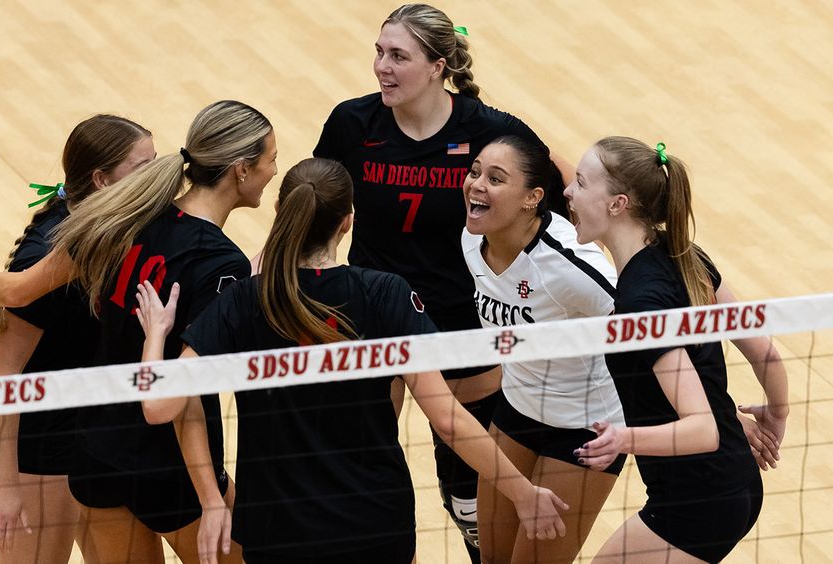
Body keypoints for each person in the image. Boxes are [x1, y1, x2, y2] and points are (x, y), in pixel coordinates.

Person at [134, 157, 569, 564]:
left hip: (278, 530)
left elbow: (159, 406)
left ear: (281, 213)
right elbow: (447, 419)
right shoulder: (385, 294)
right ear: (348, 221)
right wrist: (522, 492)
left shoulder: (244, 300)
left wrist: (156, 336)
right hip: (374, 525)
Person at [0, 100, 278, 563]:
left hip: (98, 451)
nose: (274, 170)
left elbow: (22, 289)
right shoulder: (211, 260)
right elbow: (173, 400)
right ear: (240, 169)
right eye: (271, 160)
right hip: (137, 459)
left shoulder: (125, 223)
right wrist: (211, 497)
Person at [311, 5, 567, 559]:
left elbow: (563, 187)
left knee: (468, 494)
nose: (382, 66)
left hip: (459, 324)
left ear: (437, 66)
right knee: (359, 470)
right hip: (370, 317)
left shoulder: (488, 130)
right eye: (379, 52)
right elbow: (312, 209)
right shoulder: (352, 124)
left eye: (398, 56)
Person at [564, 138, 790, 563]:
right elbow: (766, 354)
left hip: (698, 503)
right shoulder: (684, 254)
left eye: (580, 182)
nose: (568, 192)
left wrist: (622, 439)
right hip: (733, 482)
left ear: (617, 204)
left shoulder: (641, 305)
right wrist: (777, 414)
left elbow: (701, 429)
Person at [0, 114, 154, 564]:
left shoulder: (116, 229)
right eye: (143, 168)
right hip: (43, 450)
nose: (155, 178)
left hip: (98, 437)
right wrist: (7, 486)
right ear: (101, 179)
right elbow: (4, 370)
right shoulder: (44, 255)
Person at [461, 136, 626, 563]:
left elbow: (652, 332)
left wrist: (714, 407)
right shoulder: (471, 240)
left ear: (531, 198)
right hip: (516, 409)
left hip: (584, 429)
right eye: (475, 172)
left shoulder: (572, 268)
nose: (477, 184)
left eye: (495, 178)